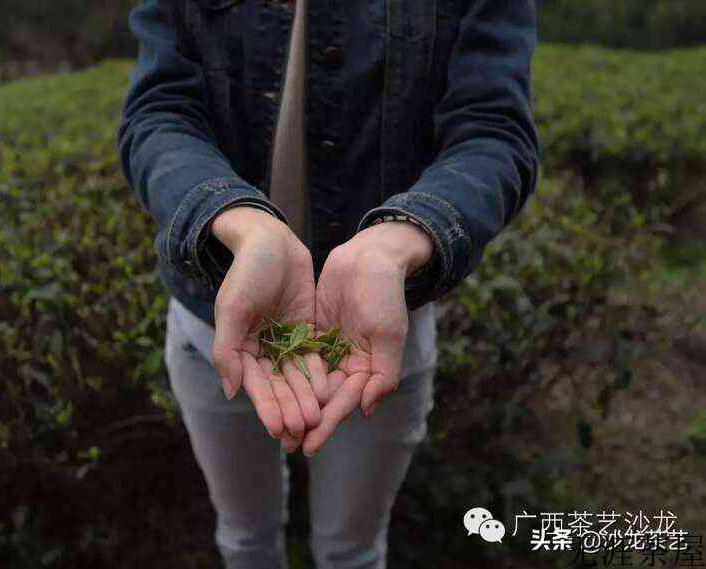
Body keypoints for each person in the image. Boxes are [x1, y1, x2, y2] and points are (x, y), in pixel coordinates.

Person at [117, 0, 539, 567]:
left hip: (379, 326)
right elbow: (157, 112)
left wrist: (397, 240)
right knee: (244, 538)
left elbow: (494, 131)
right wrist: (241, 221)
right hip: (215, 317)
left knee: (353, 552)